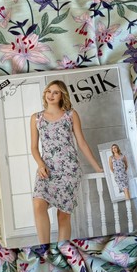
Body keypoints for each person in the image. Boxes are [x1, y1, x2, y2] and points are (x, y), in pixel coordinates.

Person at [30, 80, 104, 244]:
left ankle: (61, 251)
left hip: (69, 169)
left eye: (56, 92)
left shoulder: (71, 115)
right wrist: (41, 164)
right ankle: (45, 248)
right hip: (47, 169)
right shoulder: (36, 118)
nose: (51, 95)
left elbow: (82, 143)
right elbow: (34, 148)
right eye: (49, 91)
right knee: (38, 205)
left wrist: (97, 167)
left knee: (63, 215)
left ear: (62, 95)